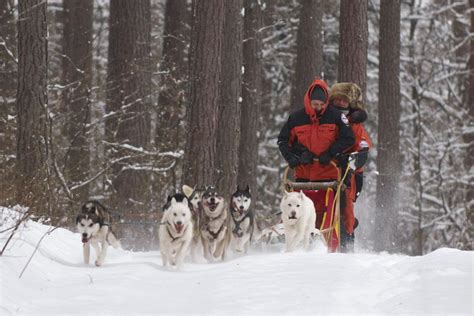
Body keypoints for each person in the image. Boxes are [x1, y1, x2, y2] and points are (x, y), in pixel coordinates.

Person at [277, 78, 355, 182]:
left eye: (322, 105)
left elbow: (348, 138)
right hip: (303, 175)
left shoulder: (336, 116)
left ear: (326, 102)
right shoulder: (296, 118)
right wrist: (292, 157)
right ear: (309, 102)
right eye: (315, 104)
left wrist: (330, 153)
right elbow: (283, 141)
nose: (319, 108)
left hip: (330, 175)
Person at [329, 82, 372, 252]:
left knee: (345, 207)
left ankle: (347, 244)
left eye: (344, 100)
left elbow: (363, 146)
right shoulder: (326, 119)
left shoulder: (355, 125)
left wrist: (353, 158)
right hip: (326, 168)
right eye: (337, 99)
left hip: (348, 172)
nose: (340, 103)